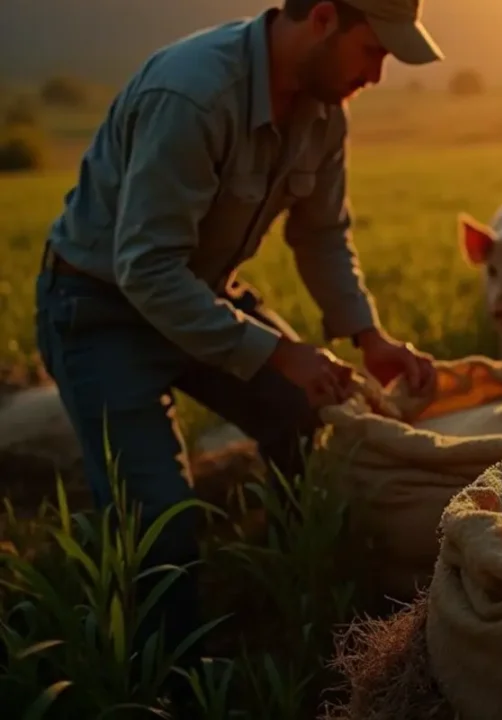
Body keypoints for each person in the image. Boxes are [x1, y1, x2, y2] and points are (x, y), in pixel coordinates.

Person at [31, 0, 442, 665]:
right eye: (373, 51)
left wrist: (370, 337)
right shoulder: (192, 95)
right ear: (323, 18)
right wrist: (278, 352)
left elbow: (321, 233)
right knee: (161, 524)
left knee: (310, 414)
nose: (377, 76)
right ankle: (165, 678)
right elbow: (145, 269)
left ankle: (291, 579)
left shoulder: (324, 112)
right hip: (101, 312)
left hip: (199, 292)